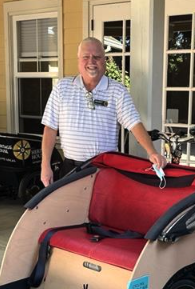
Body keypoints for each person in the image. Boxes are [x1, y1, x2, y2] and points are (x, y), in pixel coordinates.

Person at [40, 37, 167, 186]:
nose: (91, 62)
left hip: (104, 169)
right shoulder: (62, 88)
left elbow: (134, 123)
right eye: (86, 57)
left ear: (104, 60)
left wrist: (152, 152)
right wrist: (45, 165)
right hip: (70, 168)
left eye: (97, 57)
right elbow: (50, 128)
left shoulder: (117, 91)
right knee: (70, 202)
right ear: (78, 59)